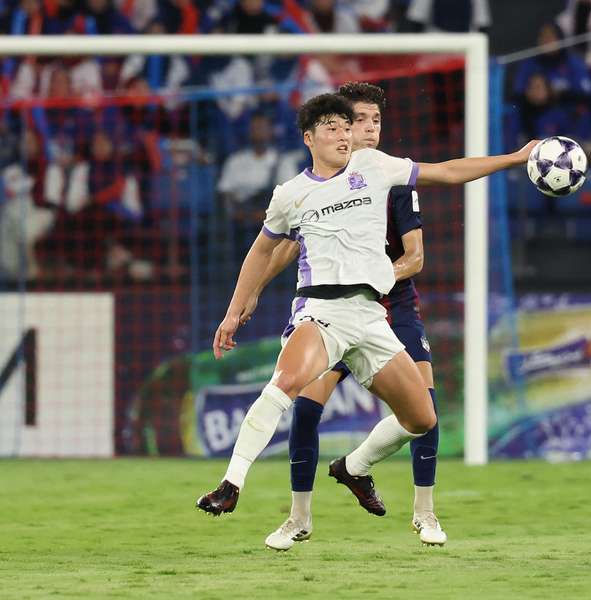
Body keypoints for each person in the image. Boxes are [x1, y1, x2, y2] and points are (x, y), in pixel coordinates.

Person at [196, 92, 537, 532]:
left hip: (371, 317)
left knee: (422, 418)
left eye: (346, 127)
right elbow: (262, 251)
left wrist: (515, 158)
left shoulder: (375, 167)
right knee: (284, 387)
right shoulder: (290, 194)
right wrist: (234, 310)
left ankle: (354, 466)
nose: (343, 135)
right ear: (309, 138)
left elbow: (448, 171)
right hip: (321, 311)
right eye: (332, 128)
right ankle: (232, 484)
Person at [237, 82, 446, 548]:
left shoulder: (392, 177)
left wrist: (377, 277)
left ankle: (424, 512)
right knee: (306, 408)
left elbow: (415, 256)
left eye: (376, 121)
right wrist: (253, 290)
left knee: (425, 405)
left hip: (391, 304)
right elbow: (289, 243)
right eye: (357, 121)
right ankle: (298, 518)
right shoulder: (314, 187)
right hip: (332, 310)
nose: (367, 129)